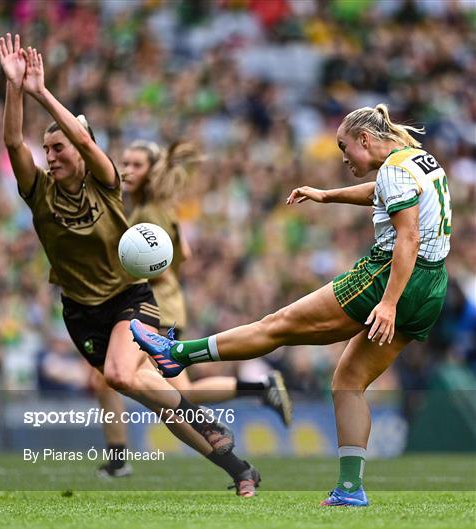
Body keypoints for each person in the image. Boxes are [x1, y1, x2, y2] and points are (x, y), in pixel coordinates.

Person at [131, 103, 451, 506]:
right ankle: (350, 489)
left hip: (391, 274)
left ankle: (178, 353)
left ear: (365, 140)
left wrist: (387, 303)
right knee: (348, 382)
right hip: (431, 286)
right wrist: (326, 196)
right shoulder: (416, 160)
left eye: (344, 147)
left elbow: (408, 238)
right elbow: (381, 193)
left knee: (277, 324)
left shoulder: (392, 169)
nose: (343, 157)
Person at [0, 33, 261, 496]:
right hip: (81, 314)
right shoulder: (37, 192)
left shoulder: (106, 184)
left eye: (59, 148)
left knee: (120, 376)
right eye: (48, 149)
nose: (51, 155)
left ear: (83, 151)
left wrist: (42, 91)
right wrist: (14, 88)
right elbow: (13, 141)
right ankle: (238, 468)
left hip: (129, 301)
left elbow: (79, 132)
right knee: (147, 390)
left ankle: (207, 423)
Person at [95, 139, 292, 477]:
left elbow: (164, 262)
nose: (126, 169)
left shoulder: (147, 212)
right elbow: (182, 252)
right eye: (124, 162)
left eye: (136, 164)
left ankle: (121, 458)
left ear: (152, 172)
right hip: (165, 303)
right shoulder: (154, 208)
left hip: (157, 307)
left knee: (154, 388)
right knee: (169, 389)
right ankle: (259, 390)